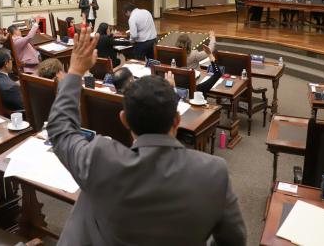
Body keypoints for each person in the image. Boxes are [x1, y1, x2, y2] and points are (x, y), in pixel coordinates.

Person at [47, 27, 247, 245]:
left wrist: (76, 69)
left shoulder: (100, 159)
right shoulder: (214, 172)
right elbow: (234, 241)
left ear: (124, 119)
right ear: (176, 120)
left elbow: (60, 130)